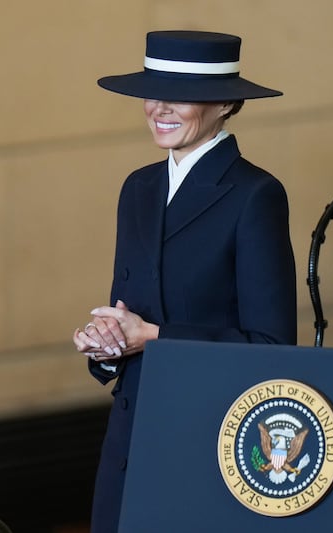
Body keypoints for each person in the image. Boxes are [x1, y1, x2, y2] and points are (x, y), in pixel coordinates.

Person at [72, 30, 297, 532]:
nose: (159, 108)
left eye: (181, 94)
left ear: (226, 104)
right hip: (131, 436)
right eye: (154, 91)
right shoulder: (138, 188)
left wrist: (152, 338)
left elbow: (273, 346)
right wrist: (106, 345)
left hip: (209, 435)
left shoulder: (255, 194)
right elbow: (127, 317)